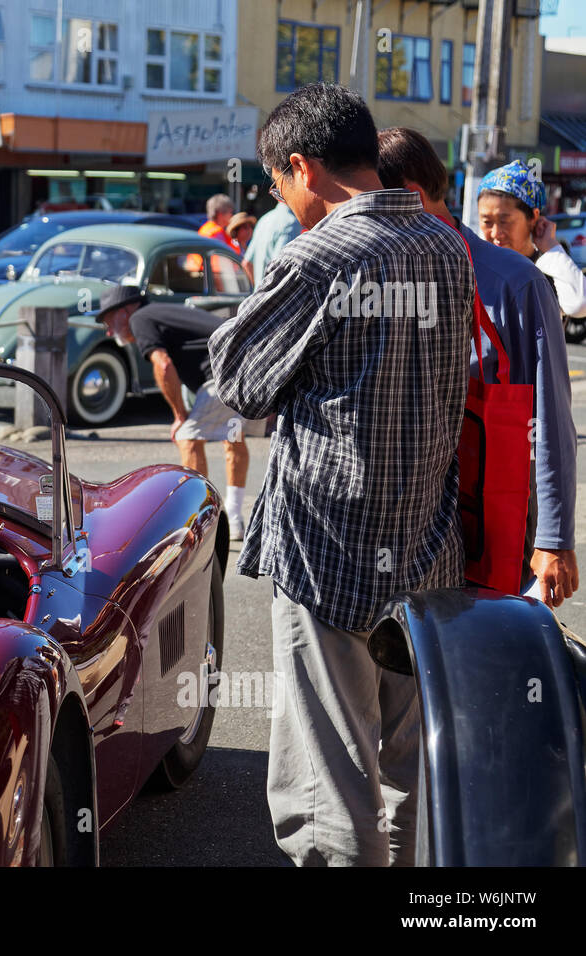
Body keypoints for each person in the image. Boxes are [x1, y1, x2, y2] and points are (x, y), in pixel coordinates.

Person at [208, 83, 474, 867]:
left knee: (326, 781)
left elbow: (240, 380)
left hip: (326, 544)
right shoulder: (441, 246)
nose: (281, 201)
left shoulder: (320, 255)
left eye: (277, 184)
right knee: (405, 765)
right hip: (424, 544)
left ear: (302, 166)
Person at [378, 128, 577, 606]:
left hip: (488, 518)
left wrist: (553, 537)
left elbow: (549, 417)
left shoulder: (515, 282)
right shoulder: (380, 273)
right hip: (397, 527)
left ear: (410, 196)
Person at [127, 294, 264, 539]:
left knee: (187, 436)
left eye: (108, 322)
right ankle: (234, 518)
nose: (108, 332)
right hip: (249, 369)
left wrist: (179, 416)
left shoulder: (139, 318)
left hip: (222, 377)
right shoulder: (167, 311)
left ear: (124, 310)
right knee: (233, 437)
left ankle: (200, 523)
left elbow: (164, 365)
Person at [477, 161, 586, 321]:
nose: (495, 233)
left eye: (505, 221)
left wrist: (550, 246)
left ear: (534, 217)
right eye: (487, 222)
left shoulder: (547, 273)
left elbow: (579, 304)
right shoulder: (474, 267)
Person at [242, 201, 302, 286]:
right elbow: (280, 267)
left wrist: (258, 289)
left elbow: (247, 263)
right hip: (276, 296)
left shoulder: (264, 219)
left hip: (260, 295)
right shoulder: (291, 222)